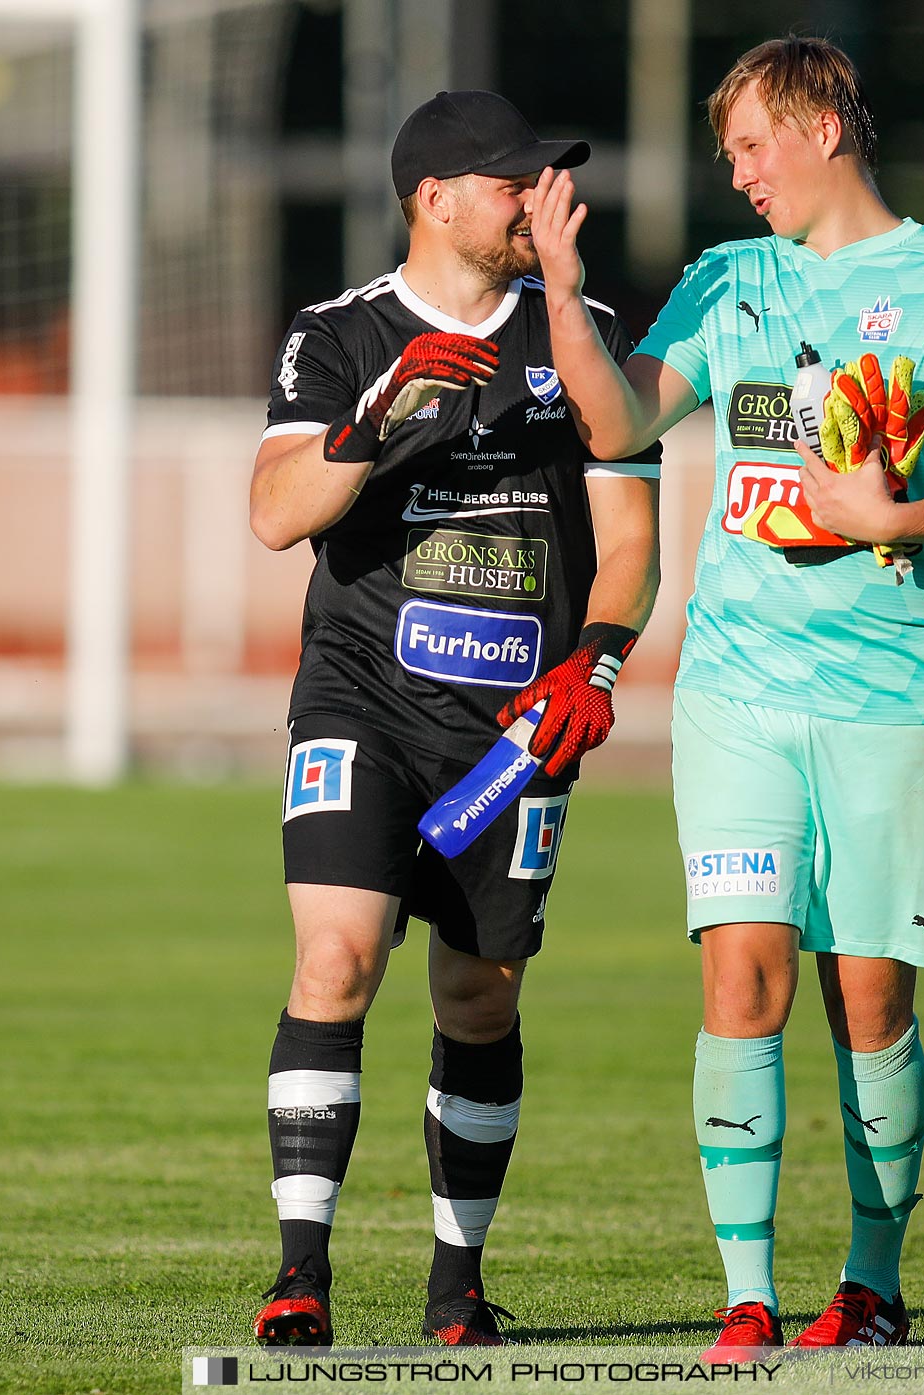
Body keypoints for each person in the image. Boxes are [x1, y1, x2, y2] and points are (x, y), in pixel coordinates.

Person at [527, 37, 924, 1352]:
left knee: (869, 997)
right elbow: (618, 425)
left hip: (895, 698)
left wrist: (903, 509)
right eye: (728, 156)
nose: (741, 174)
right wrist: (561, 291)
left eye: (755, 145)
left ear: (826, 125)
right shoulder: (729, 281)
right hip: (738, 693)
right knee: (742, 971)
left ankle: (871, 1283)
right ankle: (747, 1295)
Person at [248, 90, 659, 1348]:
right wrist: (373, 425)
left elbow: (631, 539)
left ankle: (455, 1283)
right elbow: (275, 513)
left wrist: (595, 661)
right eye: (515, 183)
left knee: (481, 998)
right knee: (337, 959)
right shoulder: (339, 334)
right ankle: (300, 1273)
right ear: (435, 198)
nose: (542, 200)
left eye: (550, 181)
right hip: (360, 698)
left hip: (517, 727)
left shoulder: (583, 333)